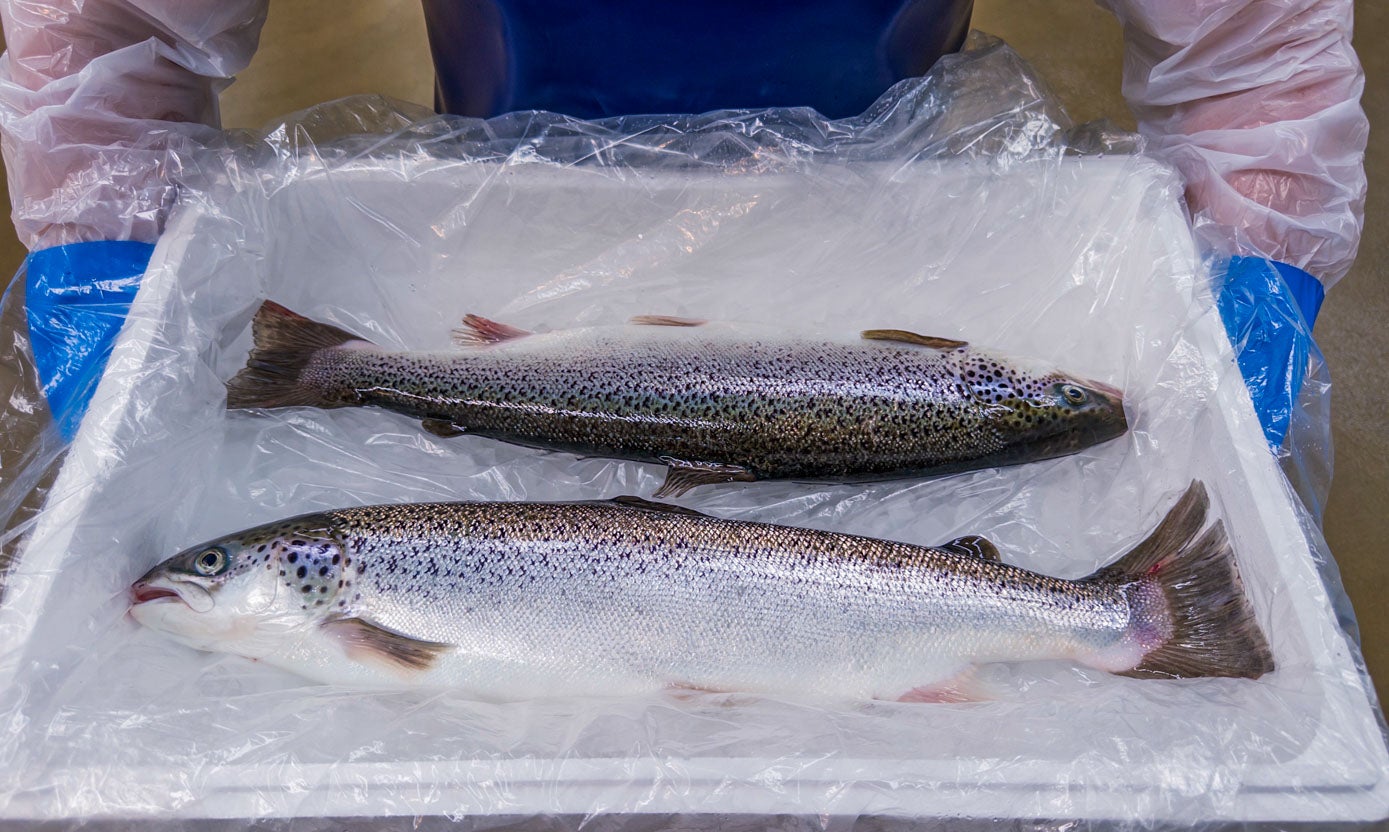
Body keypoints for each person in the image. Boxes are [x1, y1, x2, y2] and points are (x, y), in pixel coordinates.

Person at [0, 0, 1367, 446]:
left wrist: (1248, 270)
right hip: (500, 209)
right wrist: (105, 254)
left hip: (905, 220)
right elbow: (102, 27)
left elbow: (1258, 59)